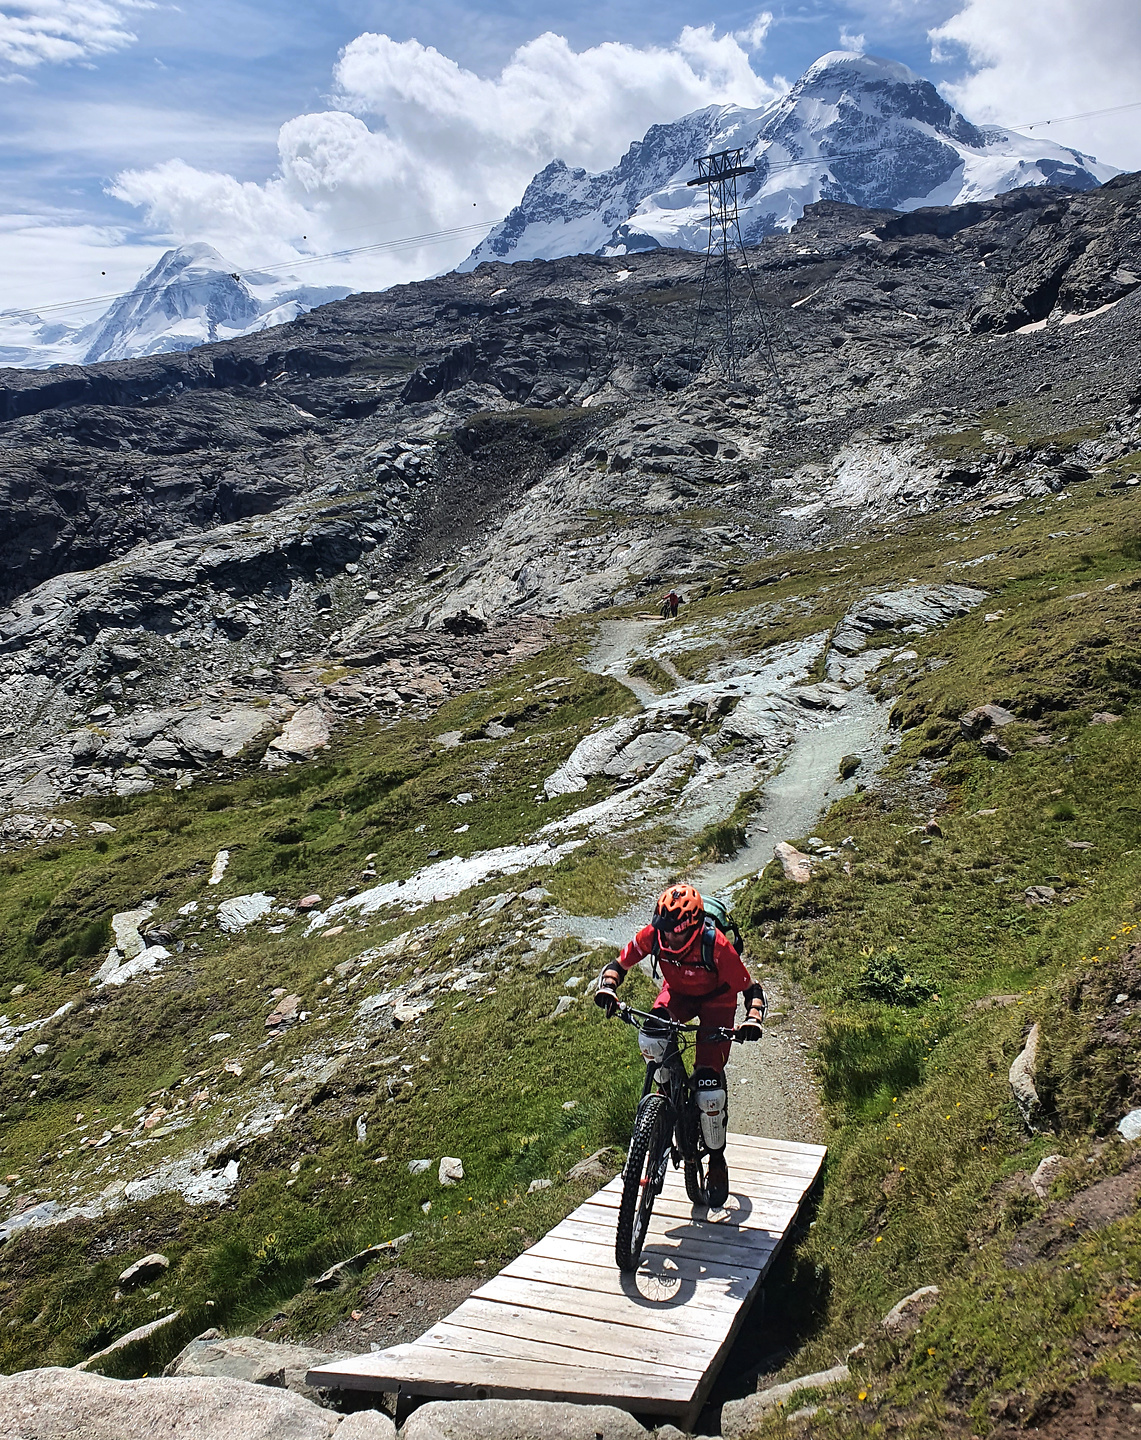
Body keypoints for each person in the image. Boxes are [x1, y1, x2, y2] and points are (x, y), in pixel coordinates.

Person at [594, 883, 766, 1208]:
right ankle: (664, 1098)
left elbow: (750, 988)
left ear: (692, 927)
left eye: (674, 932)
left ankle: (716, 1159)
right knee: (651, 1037)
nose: (667, 938)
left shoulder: (715, 946)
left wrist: (753, 1019)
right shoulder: (655, 934)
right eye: (664, 929)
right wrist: (608, 988)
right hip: (678, 996)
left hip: (717, 1002)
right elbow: (619, 964)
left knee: (709, 1090)